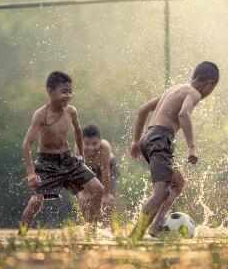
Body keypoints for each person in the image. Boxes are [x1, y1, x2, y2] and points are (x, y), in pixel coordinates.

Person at [129, 61, 219, 240]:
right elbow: (183, 114)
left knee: (177, 183)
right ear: (210, 83)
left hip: (149, 137)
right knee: (161, 192)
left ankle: (156, 227)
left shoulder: (176, 89)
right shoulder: (193, 93)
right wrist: (192, 147)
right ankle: (134, 237)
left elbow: (142, 110)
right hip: (161, 138)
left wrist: (135, 141)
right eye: (212, 88)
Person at [18, 71, 104, 235]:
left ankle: (91, 232)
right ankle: (20, 237)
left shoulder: (71, 111)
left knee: (98, 189)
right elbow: (27, 144)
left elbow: (78, 132)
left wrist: (81, 157)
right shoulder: (40, 115)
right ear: (50, 91)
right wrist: (30, 173)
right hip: (46, 162)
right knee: (36, 201)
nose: (68, 96)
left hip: (68, 160)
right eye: (64, 91)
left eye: (70, 91)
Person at [81, 125, 121, 227]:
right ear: (82, 142)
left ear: (100, 140)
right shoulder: (79, 148)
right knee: (85, 202)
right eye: (87, 144)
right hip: (89, 170)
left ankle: (108, 229)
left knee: (106, 203)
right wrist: (85, 193)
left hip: (109, 168)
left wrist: (106, 194)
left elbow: (105, 172)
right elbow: (81, 173)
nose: (91, 148)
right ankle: (89, 229)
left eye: (95, 143)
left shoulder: (105, 147)